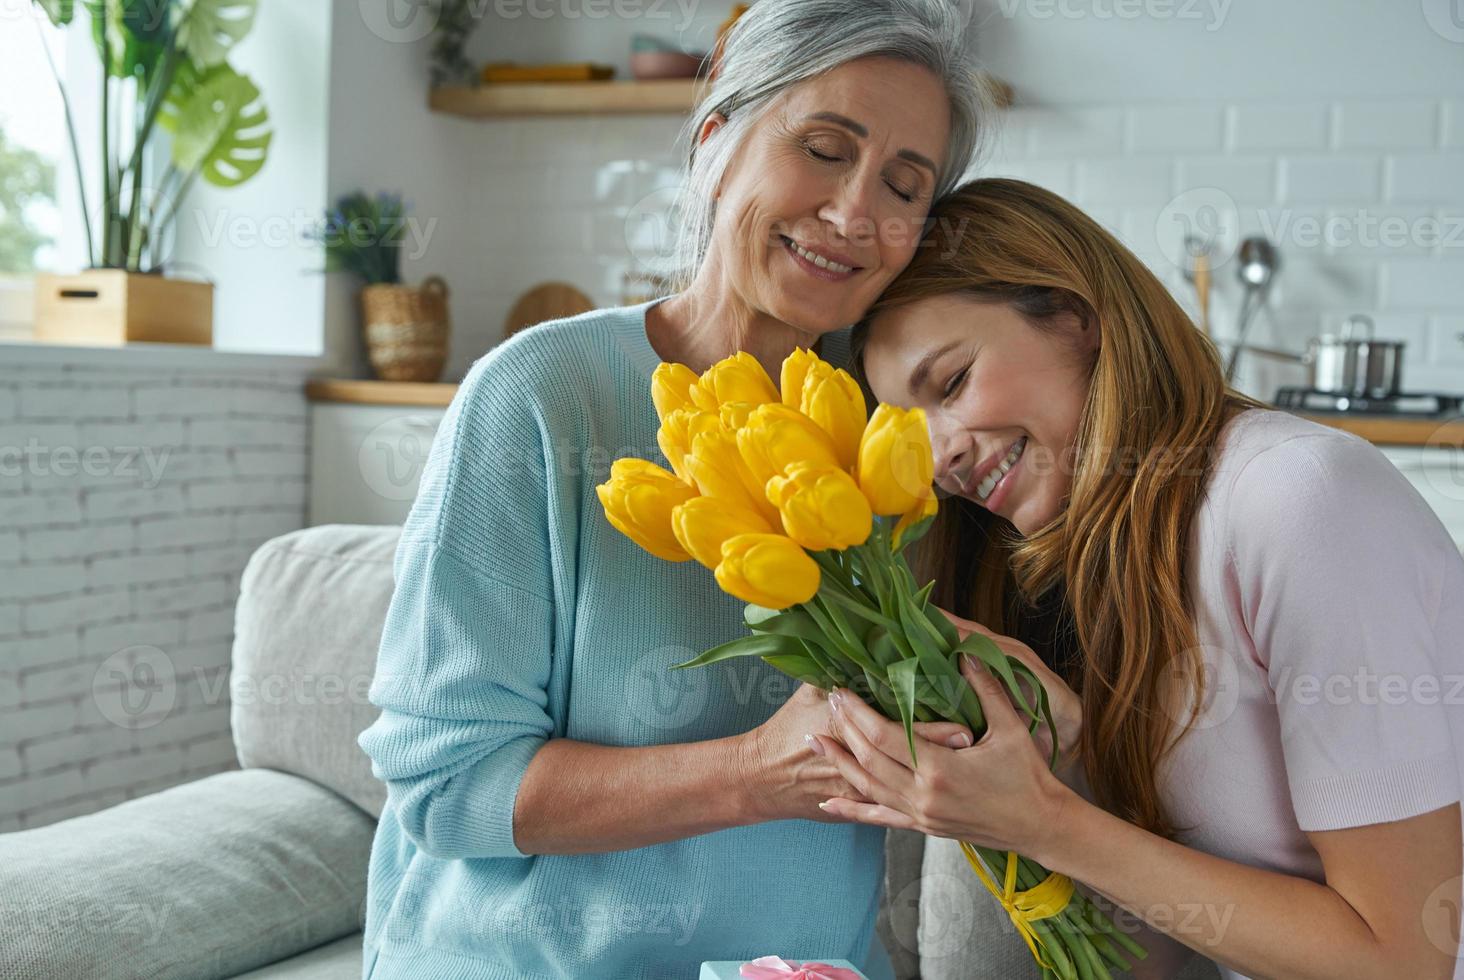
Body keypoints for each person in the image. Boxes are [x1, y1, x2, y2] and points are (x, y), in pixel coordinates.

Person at [355, 3, 993, 978]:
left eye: (904, 186)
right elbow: (450, 786)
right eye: (824, 148)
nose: (857, 211)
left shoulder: (902, 438)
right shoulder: (538, 396)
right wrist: (758, 772)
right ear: (712, 146)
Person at [815, 177, 1464, 979]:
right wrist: (1066, 764)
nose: (939, 455)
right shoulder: (1107, 549)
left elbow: (1403, 962)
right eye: (908, 430)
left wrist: (1048, 819)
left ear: (1075, 317)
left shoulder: (1298, 498)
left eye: (951, 384)